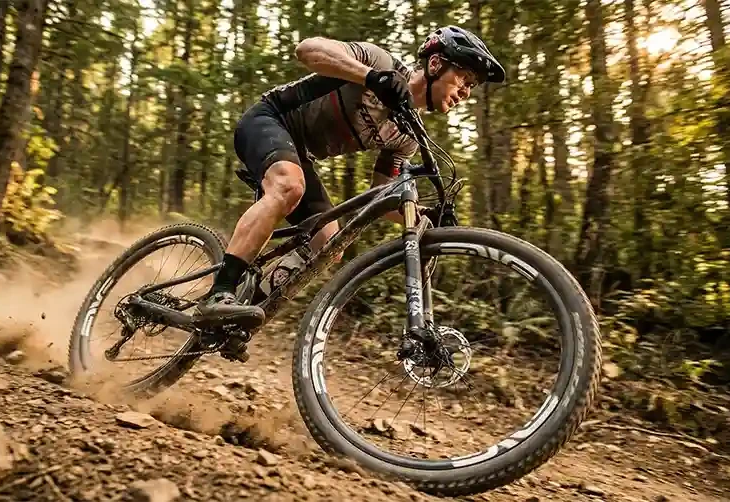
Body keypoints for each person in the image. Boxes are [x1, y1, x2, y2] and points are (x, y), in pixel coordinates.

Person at [193, 26, 505, 328]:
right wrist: (370, 77)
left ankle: (239, 316)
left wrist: (426, 214)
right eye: (464, 79)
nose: (466, 92)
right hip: (268, 120)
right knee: (289, 185)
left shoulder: (406, 134)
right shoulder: (380, 63)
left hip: (300, 154)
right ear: (435, 64)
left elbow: (383, 194)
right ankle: (220, 293)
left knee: (329, 243)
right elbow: (307, 50)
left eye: (471, 87)